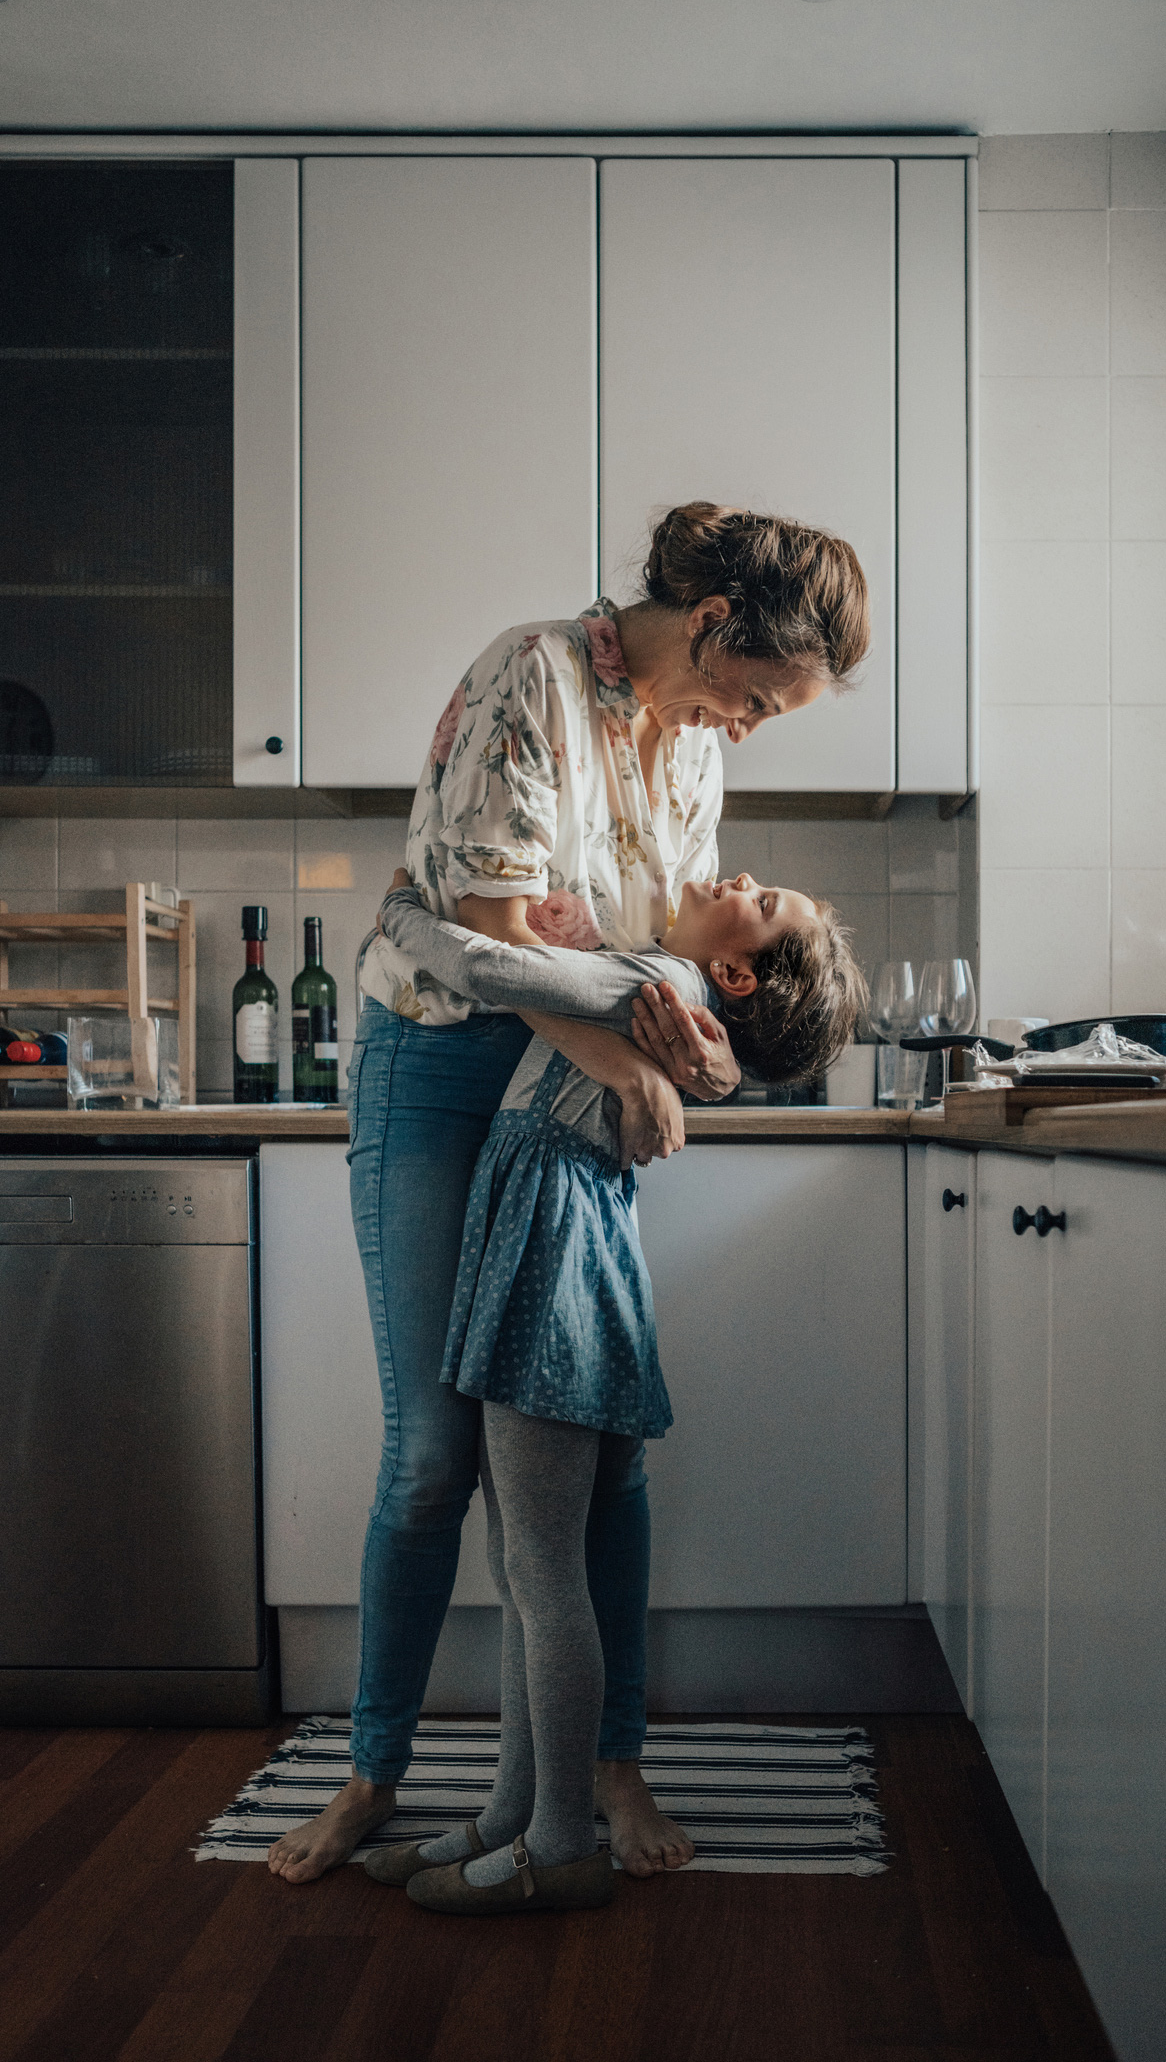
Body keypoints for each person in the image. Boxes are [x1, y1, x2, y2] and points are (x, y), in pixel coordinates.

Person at [267, 502, 870, 1885]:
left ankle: (607, 1770)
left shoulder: (692, 748)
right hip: (439, 1064)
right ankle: (373, 1776)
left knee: (595, 1455)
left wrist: (653, 1061)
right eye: (761, 694)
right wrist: (635, 1070)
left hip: (563, 1094)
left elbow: (656, 955)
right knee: (430, 1460)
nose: (752, 725)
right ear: (714, 620)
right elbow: (489, 943)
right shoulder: (527, 676)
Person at [357, 869, 864, 1910]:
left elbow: (487, 967)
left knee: (540, 1575)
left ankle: (557, 1840)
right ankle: (509, 1815)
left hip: (549, 1264)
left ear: (731, 970)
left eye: (766, 904)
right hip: (571, 1256)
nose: (746, 877)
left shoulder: (655, 977)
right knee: (527, 1568)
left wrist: (405, 913)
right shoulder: (666, 981)